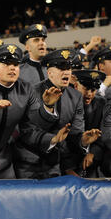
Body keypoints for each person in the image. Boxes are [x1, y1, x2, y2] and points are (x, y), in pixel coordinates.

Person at [0, 44, 68, 179]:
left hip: (3, 163)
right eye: (6, 64)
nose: (12, 68)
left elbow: (29, 128)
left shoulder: (26, 89)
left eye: (16, 65)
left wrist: (48, 112)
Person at [13, 49, 101, 179]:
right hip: (28, 163)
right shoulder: (32, 92)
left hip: (54, 163)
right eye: (61, 68)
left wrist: (82, 141)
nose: (66, 72)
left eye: (69, 68)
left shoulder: (75, 96)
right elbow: (27, 130)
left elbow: (75, 131)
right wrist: (53, 139)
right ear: (49, 73)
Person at [71, 69, 107, 177]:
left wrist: (93, 153)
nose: (89, 94)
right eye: (86, 89)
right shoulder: (67, 101)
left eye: (93, 90)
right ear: (76, 86)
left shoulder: (101, 103)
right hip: (68, 161)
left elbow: (104, 133)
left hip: (92, 163)